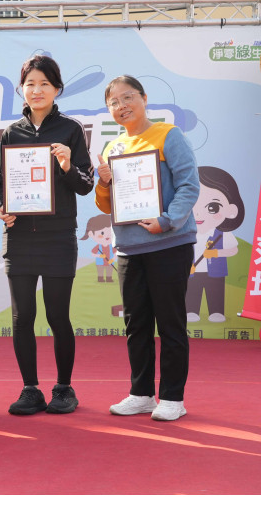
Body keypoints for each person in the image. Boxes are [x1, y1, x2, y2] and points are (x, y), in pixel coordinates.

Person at [0, 55, 94, 416]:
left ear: (57, 89)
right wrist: (3, 207)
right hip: (19, 236)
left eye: (44, 84)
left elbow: (85, 184)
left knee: (57, 316)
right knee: (22, 317)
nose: (37, 91)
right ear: (21, 89)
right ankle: (30, 389)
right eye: (30, 84)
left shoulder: (70, 129)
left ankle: (64, 388)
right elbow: (1, 181)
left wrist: (67, 165)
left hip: (58, 236)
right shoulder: (12, 132)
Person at [95, 75, 199, 422]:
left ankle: (172, 398)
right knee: (136, 325)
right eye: (114, 102)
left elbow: (189, 185)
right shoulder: (112, 148)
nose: (121, 106)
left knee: (170, 323)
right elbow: (105, 204)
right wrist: (104, 182)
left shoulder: (168, 135)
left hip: (168, 243)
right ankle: (141, 393)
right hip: (129, 248)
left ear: (143, 98)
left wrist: (167, 220)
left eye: (128, 97)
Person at [186, 166, 244, 323]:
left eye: (212, 207)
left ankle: (216, 311)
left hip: (216, 271)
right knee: (192, 290)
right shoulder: (187, 233)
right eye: (192, 206)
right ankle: (191, 310)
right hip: (192, 270)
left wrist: (216, 253)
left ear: (231, 210)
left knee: (215, 290)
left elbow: (233, 250)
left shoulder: (223, 234)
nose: (198, 213)